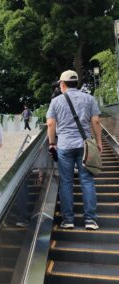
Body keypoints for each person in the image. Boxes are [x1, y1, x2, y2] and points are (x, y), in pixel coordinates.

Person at [46, 70, 102, 230]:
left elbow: (50, 124)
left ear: (62, 84)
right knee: (87, 180)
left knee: (66, 182)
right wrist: (99, 142)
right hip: (84, 145)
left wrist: (52, 144)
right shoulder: (89, 98)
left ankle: (68, 220)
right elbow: (96, 121)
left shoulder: (56, 101)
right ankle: (90, 220)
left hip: (64, 146)